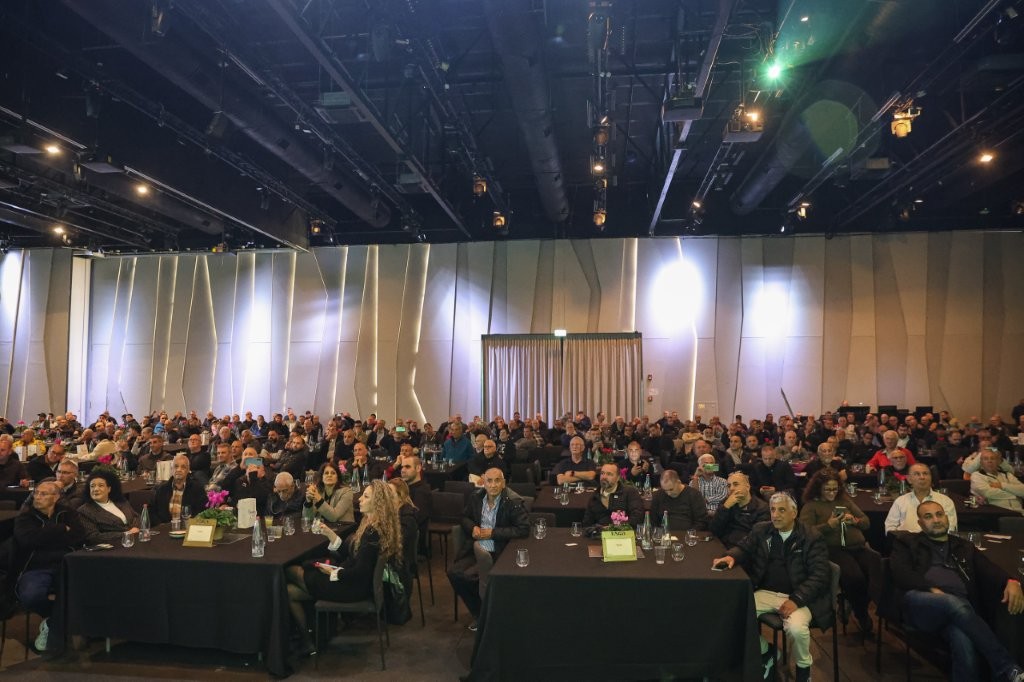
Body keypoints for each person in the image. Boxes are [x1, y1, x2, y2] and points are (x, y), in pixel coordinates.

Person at [890, 501, 1024, 682]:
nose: (936, 519)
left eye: (939, 514)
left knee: (963, 641)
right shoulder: (907, 543)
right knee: (952, 602)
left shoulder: (963, 546)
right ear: (920, 523)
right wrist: (931, 589)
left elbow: (989, 569)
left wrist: (1012, 581)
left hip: (959, 611)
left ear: (947, 518)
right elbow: (900, 574)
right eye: (928, 516)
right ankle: (1006, 666)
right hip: (920, 603)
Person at [712, 493, 832, 682]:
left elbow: (820, 575)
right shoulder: (761, 529)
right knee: (729, 614)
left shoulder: (811, 537)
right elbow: (744, 548)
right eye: (773, 510)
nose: (775, 515)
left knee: (796, 629)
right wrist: (731, 556)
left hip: (800, 596)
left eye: (781, 510)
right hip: (766, 592)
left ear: (794, 513)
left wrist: (796, 599)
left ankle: (803, 671)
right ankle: (766, 651)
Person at [286, 480, 403, 657]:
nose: (360, 499)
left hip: (351, 589)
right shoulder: (373, 525)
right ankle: (309, 641)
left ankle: (307, 637)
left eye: (366, 497)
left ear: (377, 502)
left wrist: (334, 571)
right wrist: (330, 534)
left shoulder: (372, 532)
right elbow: (353, 556)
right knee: (289, 591)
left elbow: (360, 572)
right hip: (353, 584)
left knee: (290, 570)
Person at [447, 468, 529, 628]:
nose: (493, 485)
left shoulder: (513, 502)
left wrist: (493, 533)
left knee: (484, 578)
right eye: (489, 481)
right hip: (476, 549)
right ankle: (480, 613)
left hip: (501, 550)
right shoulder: (475, 497)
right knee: (455, 573)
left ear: (503, 483)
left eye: (497, 480)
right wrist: (473, 528)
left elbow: (523, 529)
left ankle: (495, 613)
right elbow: (464, 517)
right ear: (483, 483)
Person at [13, 480, 85, 652]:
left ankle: (56, 624)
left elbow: (79, 536)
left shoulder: (68, 513)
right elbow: (27, 540)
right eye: (36, 493)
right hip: (36, 566)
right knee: (31, 595)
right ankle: (53, 619)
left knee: (82, 590)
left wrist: (44, 536)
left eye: (43, 494)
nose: (37, 497)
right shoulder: (26, 517)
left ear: (56, 497)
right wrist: (60, 530)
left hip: (65, 563)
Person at [799, 470, 873, 635]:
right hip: (833, 549)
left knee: (877, 572)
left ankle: (851, 601)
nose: (832, 492)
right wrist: (828, 526)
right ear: (818, 489)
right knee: (855, 577)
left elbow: (866, 522)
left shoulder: (845, 501)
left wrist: (854, 520)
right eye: (827, 489)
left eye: (835, 489)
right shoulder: (811, 506)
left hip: (858, 546)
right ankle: (861, 613)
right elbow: (804, 534)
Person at [885, 463, 959, 533]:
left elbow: (951, 528)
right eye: (917, 474)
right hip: (905, 541)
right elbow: (890, 527)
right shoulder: (900, 501)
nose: (922, 477)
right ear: (909, 479)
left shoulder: (945, 501)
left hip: (935, 541)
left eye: (925, 473)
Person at [77, 469, 141, 544]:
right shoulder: (84, 511)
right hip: (113, 546)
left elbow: (136, 517)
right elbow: (93, 537)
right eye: (92, 486)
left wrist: (135, 528)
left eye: (101, 485)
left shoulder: (121, 502)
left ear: (109, 489)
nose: (96, 489)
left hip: (134, 540)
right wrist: (126, 534)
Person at [711, 472, 770, 548]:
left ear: (747, 487)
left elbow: (757, 538)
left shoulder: (762, 508)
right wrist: (725, 508)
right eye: (729, 486)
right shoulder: (726, 503)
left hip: (745, 549)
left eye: (736, 484)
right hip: (722, 545)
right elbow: (714, 530)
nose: (731, 488)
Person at [582, 463, 644, 527]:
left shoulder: (629, 492)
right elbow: (587, 524)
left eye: (609, 474)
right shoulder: (594, 497)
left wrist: (614, 528)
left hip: (623, 531)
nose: (604, 477)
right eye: (602, 473)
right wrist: (598, 529)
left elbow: (638, 518)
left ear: (618, 477)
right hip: (600, 532)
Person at [152, 454, 207, 525]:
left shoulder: (198, 489)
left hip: (188, 528)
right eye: (176, 466)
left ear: (188, 470)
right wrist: (160, 525)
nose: (179, 470)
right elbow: (152, 511)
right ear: (172, 469)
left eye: (183, 467)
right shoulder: (161, 489)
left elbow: (202, 512)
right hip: (164, 529)